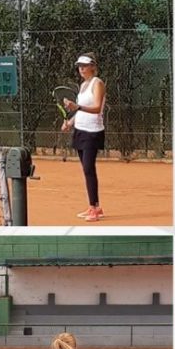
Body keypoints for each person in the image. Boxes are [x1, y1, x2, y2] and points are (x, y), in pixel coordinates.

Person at [62, 53, 106, 222]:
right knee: (86, 170)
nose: (81, 68)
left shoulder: (97, 83)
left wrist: (77, 106)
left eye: (84, 65)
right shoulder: (83, 85)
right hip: (80, 130)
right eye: (79, 66)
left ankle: (94, 208)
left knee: (89, 168)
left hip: (92, 132)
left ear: (92, 67)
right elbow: (80, 110)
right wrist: (70, 122)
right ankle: (94, 206)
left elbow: (97, 108)